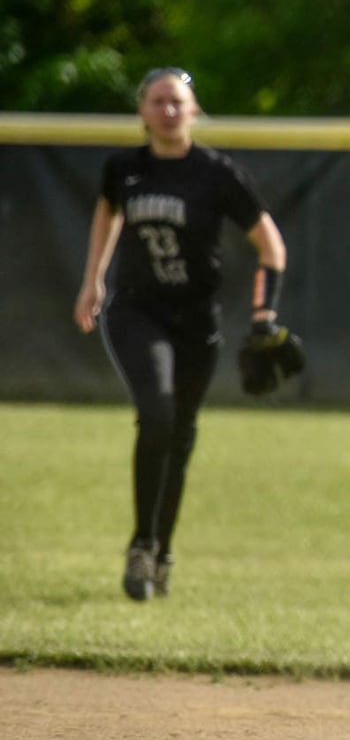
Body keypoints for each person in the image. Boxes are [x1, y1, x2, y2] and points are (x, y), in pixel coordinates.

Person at [73, 67, 289, 600]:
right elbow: (109, 212)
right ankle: (141, 546)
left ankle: (161, 551)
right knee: (158, 412)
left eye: (177, 101)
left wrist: (264, 317)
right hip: (138, 311)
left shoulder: (216, 174)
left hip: (196, 320)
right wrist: (93, 280)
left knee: (182, 437)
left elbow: (272, 247)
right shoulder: (124, 168)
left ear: (194, 110)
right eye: (158, 101)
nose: (168, 110)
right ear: (142, 111)